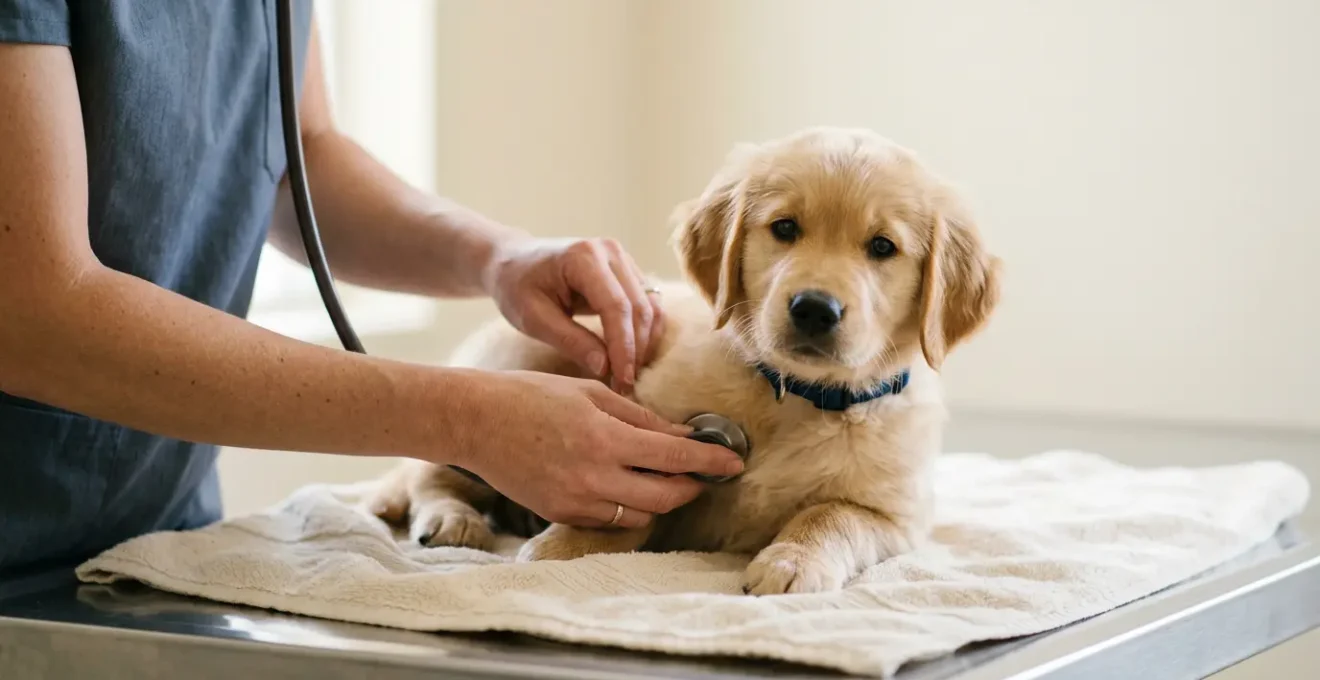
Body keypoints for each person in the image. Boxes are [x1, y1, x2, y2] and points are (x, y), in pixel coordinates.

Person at [0, 1, 743, 577]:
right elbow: (31, 310)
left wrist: (499, 257)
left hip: (156, 542)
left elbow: (300, 158)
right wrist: (467, 420)